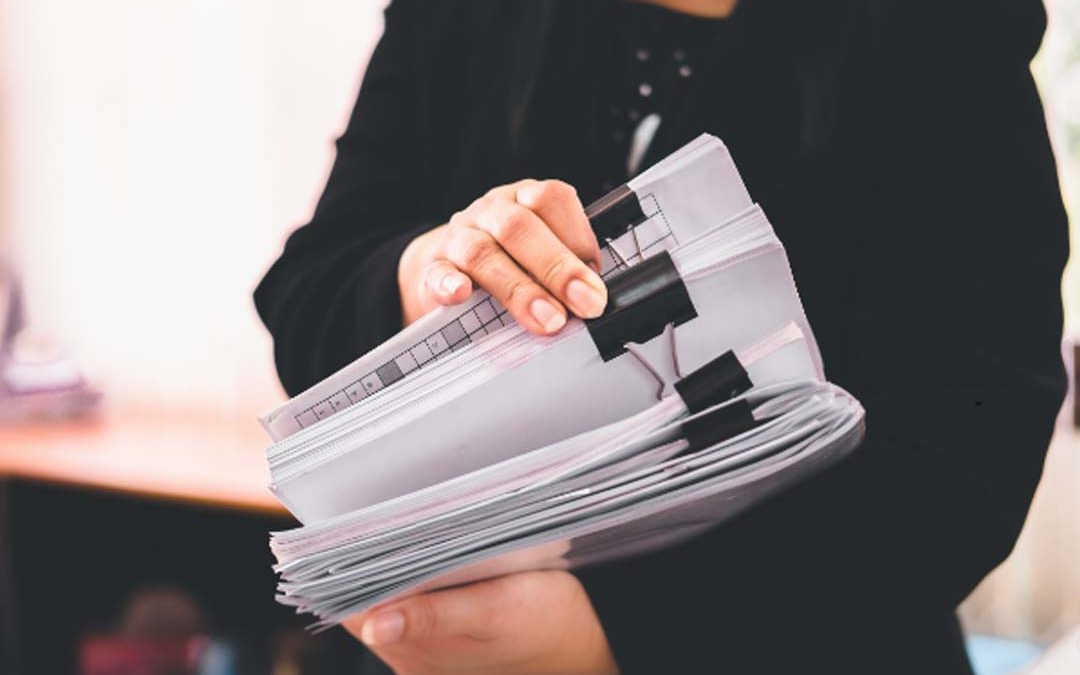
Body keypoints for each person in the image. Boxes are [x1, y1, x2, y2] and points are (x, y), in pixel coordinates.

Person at [254, 0, 1069, 672]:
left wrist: (612, 634)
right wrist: (438, 268)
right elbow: (306, 292)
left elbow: (971, 443)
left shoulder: (945, 27)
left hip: (809, 644)